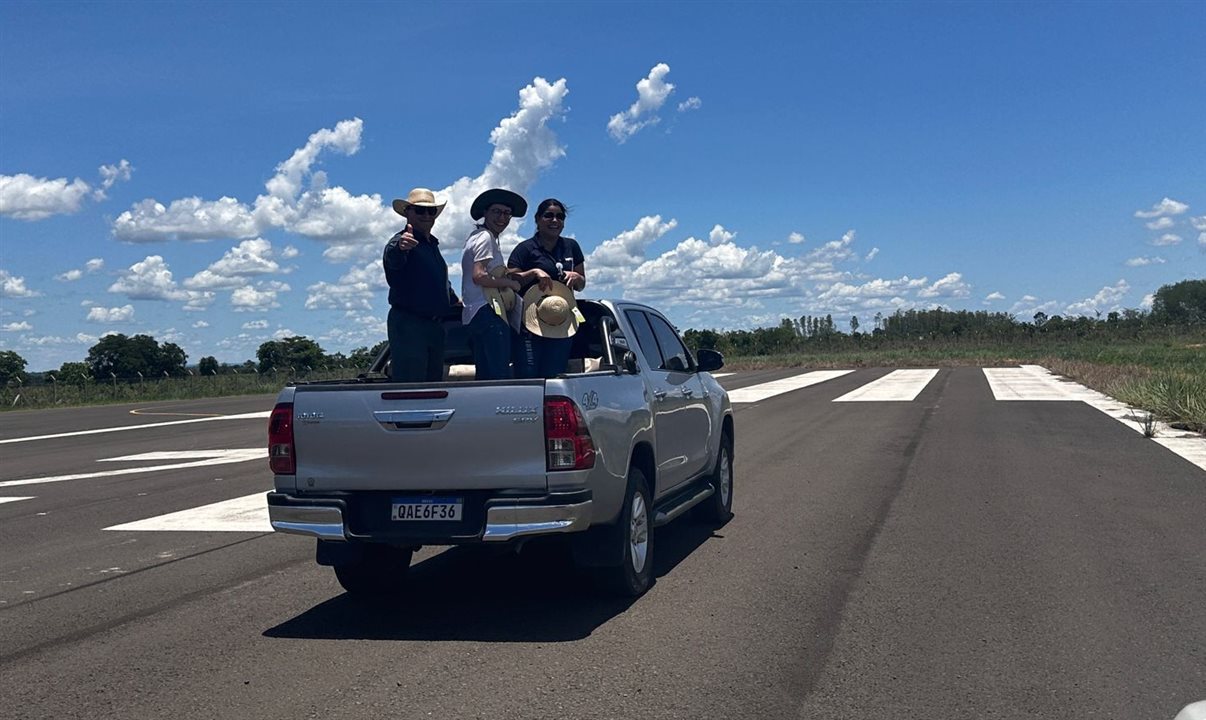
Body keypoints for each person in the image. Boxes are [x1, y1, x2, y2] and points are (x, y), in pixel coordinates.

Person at [382, 187, 460, 382]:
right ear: (407, 212)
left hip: (435, 326)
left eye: (430, 211)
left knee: (432, 383)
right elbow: (394, 258)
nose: (426, 215)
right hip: (410, 324)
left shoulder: (432, 245)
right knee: (411, 386)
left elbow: (439, 281)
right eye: (419, 210)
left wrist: (456, 302)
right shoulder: (401, 241)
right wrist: (401, 247)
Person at [507, 198, 585, 377]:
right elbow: (511, 278)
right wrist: (534, 272)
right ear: (537, 219)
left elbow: (582, 284)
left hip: (560, 320)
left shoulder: (571, 246)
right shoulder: (525, 249)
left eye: (560, 217)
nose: (555, 220)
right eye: (548, 216)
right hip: (530, 323)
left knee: (554, 375)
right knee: (528, 376)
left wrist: (577, 277)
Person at [461, 188, 526, 380]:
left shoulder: (475, 236)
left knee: (486, 373)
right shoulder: (485, 237)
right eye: (496, 212)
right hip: (488, 310)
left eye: (507, 213)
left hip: (475, 313)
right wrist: (509, 284)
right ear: (485, 213)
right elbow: (479, 276)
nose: (502, 218)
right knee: (498, 373)